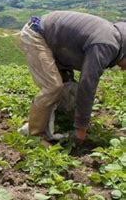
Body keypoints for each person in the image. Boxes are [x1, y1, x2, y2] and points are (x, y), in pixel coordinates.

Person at [19, 11, 126, 144]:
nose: (123, 69)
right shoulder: (107, 45)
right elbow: (87, 86)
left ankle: (58, 121)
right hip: (37, 34)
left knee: (69, 89)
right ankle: (35, 135)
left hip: (58, 45)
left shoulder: (116, 39)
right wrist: (81, 129)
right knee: (53, 87)